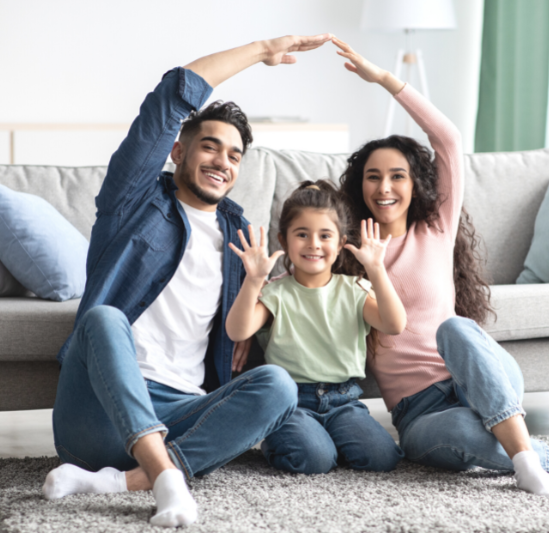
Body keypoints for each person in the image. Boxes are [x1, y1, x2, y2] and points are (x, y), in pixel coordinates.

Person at [333, 36, 549, 500]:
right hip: (422, 415)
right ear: (360, 186)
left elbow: (449, 140)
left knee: (455, 329)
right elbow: (302, 282)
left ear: (415, 182)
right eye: (373, 176)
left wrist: (384, 80)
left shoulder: (435, 227)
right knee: (462, 432)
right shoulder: (350, 249)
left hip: (477, 375)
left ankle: (525, 463)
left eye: (397, 175)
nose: (384, 187)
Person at [40, 34, 333, 528]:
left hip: (183, 407)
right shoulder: (132, 201)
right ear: (178, 150)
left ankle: (125, 481)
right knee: (104, 319)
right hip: (98, 414)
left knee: (282, 393)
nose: (222, 162)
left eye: (235, 155)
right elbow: (171, 94)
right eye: (210, 147)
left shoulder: (240, 235)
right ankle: (169, 482)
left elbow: (258, 318)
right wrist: (263, 51)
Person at [225, 181, 406, 475]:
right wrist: (254, 279)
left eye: (325, 236)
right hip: (292, 402)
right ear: (283, 241)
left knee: (382, 459)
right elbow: (237, 331)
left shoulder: (355, 289)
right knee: (314, 460)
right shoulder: (275, 293)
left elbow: (395, 324)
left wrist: (376, 269)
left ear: (340, 244)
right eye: (302, 235)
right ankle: (277, 439)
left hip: (344, 400)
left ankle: (327, 439)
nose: (313, 244)